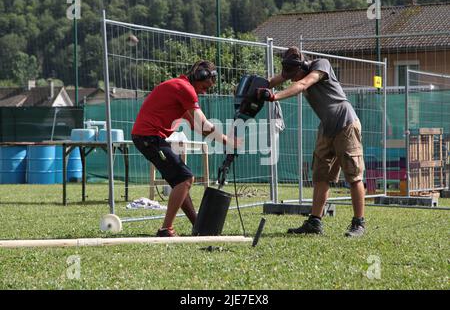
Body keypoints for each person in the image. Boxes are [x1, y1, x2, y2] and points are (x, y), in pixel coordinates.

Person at [257, 47, 366, 237]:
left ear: (303, 66)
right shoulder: (295, 71)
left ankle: (358, 224)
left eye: (293, 75)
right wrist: (250, 88)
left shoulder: (320, 65)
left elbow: (303, 84)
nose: (291, 79)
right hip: (326, 126)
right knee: (320, 175)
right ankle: (314, 223)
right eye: (288, 75)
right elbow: (271, 81)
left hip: (346, 123)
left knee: (353, 174)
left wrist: (274, 96)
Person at [132, 60, 237, 237]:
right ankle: (165, 229)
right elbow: (203, 122)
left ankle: (198, 226)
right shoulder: (185, 88)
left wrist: (223, 141)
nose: (205, 91)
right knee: (186, 178)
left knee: (181, 181)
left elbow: (198, 127)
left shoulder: (181, 88)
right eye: (205, 85)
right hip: (149, 138)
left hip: (149, 137)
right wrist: (227, 140)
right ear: (199, 76)